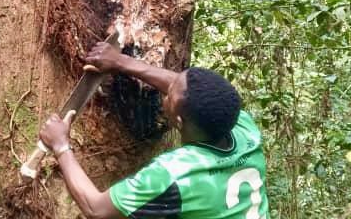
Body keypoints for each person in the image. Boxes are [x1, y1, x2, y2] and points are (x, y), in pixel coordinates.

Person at [38, 41, 269, 219]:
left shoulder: (176, 173)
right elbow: (179, 87)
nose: (166, 90)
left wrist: (60, 145)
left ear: (178, 120)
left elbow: (96, 209)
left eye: (168, 96)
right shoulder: (242, 126)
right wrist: (121, 62)